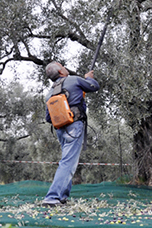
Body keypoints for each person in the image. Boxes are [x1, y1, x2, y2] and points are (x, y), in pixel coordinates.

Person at [41, 62, 100, 207]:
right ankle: (52, 197)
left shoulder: (50, 93)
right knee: (68, 162)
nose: (66, 68)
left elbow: (48, 118)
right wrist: (89, 78)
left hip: (61, 130)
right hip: (74, 127)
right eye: (63, 66)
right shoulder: (73, 79)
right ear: (61, 72)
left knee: (68, 161)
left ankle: (62, 197)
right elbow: (94, 87)